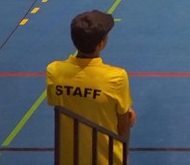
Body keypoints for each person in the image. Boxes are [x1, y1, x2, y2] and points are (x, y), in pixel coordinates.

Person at [47, 10, 132, 165]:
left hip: (68, 158)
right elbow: (123, 124)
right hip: (106, 159)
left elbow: (60, 102)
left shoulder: (54, 71)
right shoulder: (117, 77)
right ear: (101, 44)